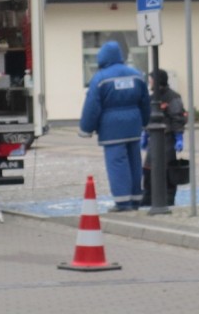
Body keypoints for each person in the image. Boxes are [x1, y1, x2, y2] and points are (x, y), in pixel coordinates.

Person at [79, 41, 151, 212]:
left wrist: (86, 128)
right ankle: (135, 198)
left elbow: (92, 106)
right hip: (133, 126)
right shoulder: (136, 75)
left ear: (102, 57)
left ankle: (122, 201)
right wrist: (145, 122)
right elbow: (145, 101)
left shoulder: (101, 78)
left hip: (112, 129)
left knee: (117, 164)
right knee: (134, 162)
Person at [140, 69, 186, 207]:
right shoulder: (152, 97)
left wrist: (178, 137)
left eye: (151, 79)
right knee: (148, 168)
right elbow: (148, 117)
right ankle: (148, 196)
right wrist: (145, 133)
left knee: (168, 170)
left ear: (157, 81)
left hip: (167, 138)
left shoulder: (172, 97)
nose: (149, 82)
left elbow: (178, 117)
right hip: (153, 139)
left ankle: (169, 198)